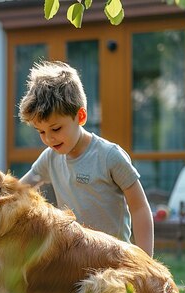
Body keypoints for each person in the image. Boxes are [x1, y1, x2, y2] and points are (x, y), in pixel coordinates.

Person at [18, 61, 154, 256]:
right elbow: (20, 189)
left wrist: (146, 261)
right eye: (41, 131)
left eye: (56, 129)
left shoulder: (109, 156)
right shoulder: (50, 158)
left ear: (80, 116)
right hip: (73, 258)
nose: (49, 138)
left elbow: (139, 208)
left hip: (114, 259)